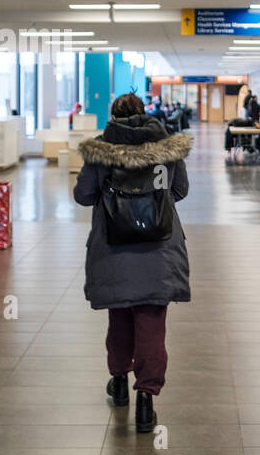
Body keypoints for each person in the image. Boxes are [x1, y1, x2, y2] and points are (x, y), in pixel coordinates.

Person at [73, 93, 191, 433]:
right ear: (144, 113)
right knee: (152, 323)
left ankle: (120, 383)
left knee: (120, 318)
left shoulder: (100, 150)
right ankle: (146, 401)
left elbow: (83, 196)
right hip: (159, 250)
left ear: (113, 116)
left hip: (114, 248)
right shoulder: (167, 147)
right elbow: (179, 190)